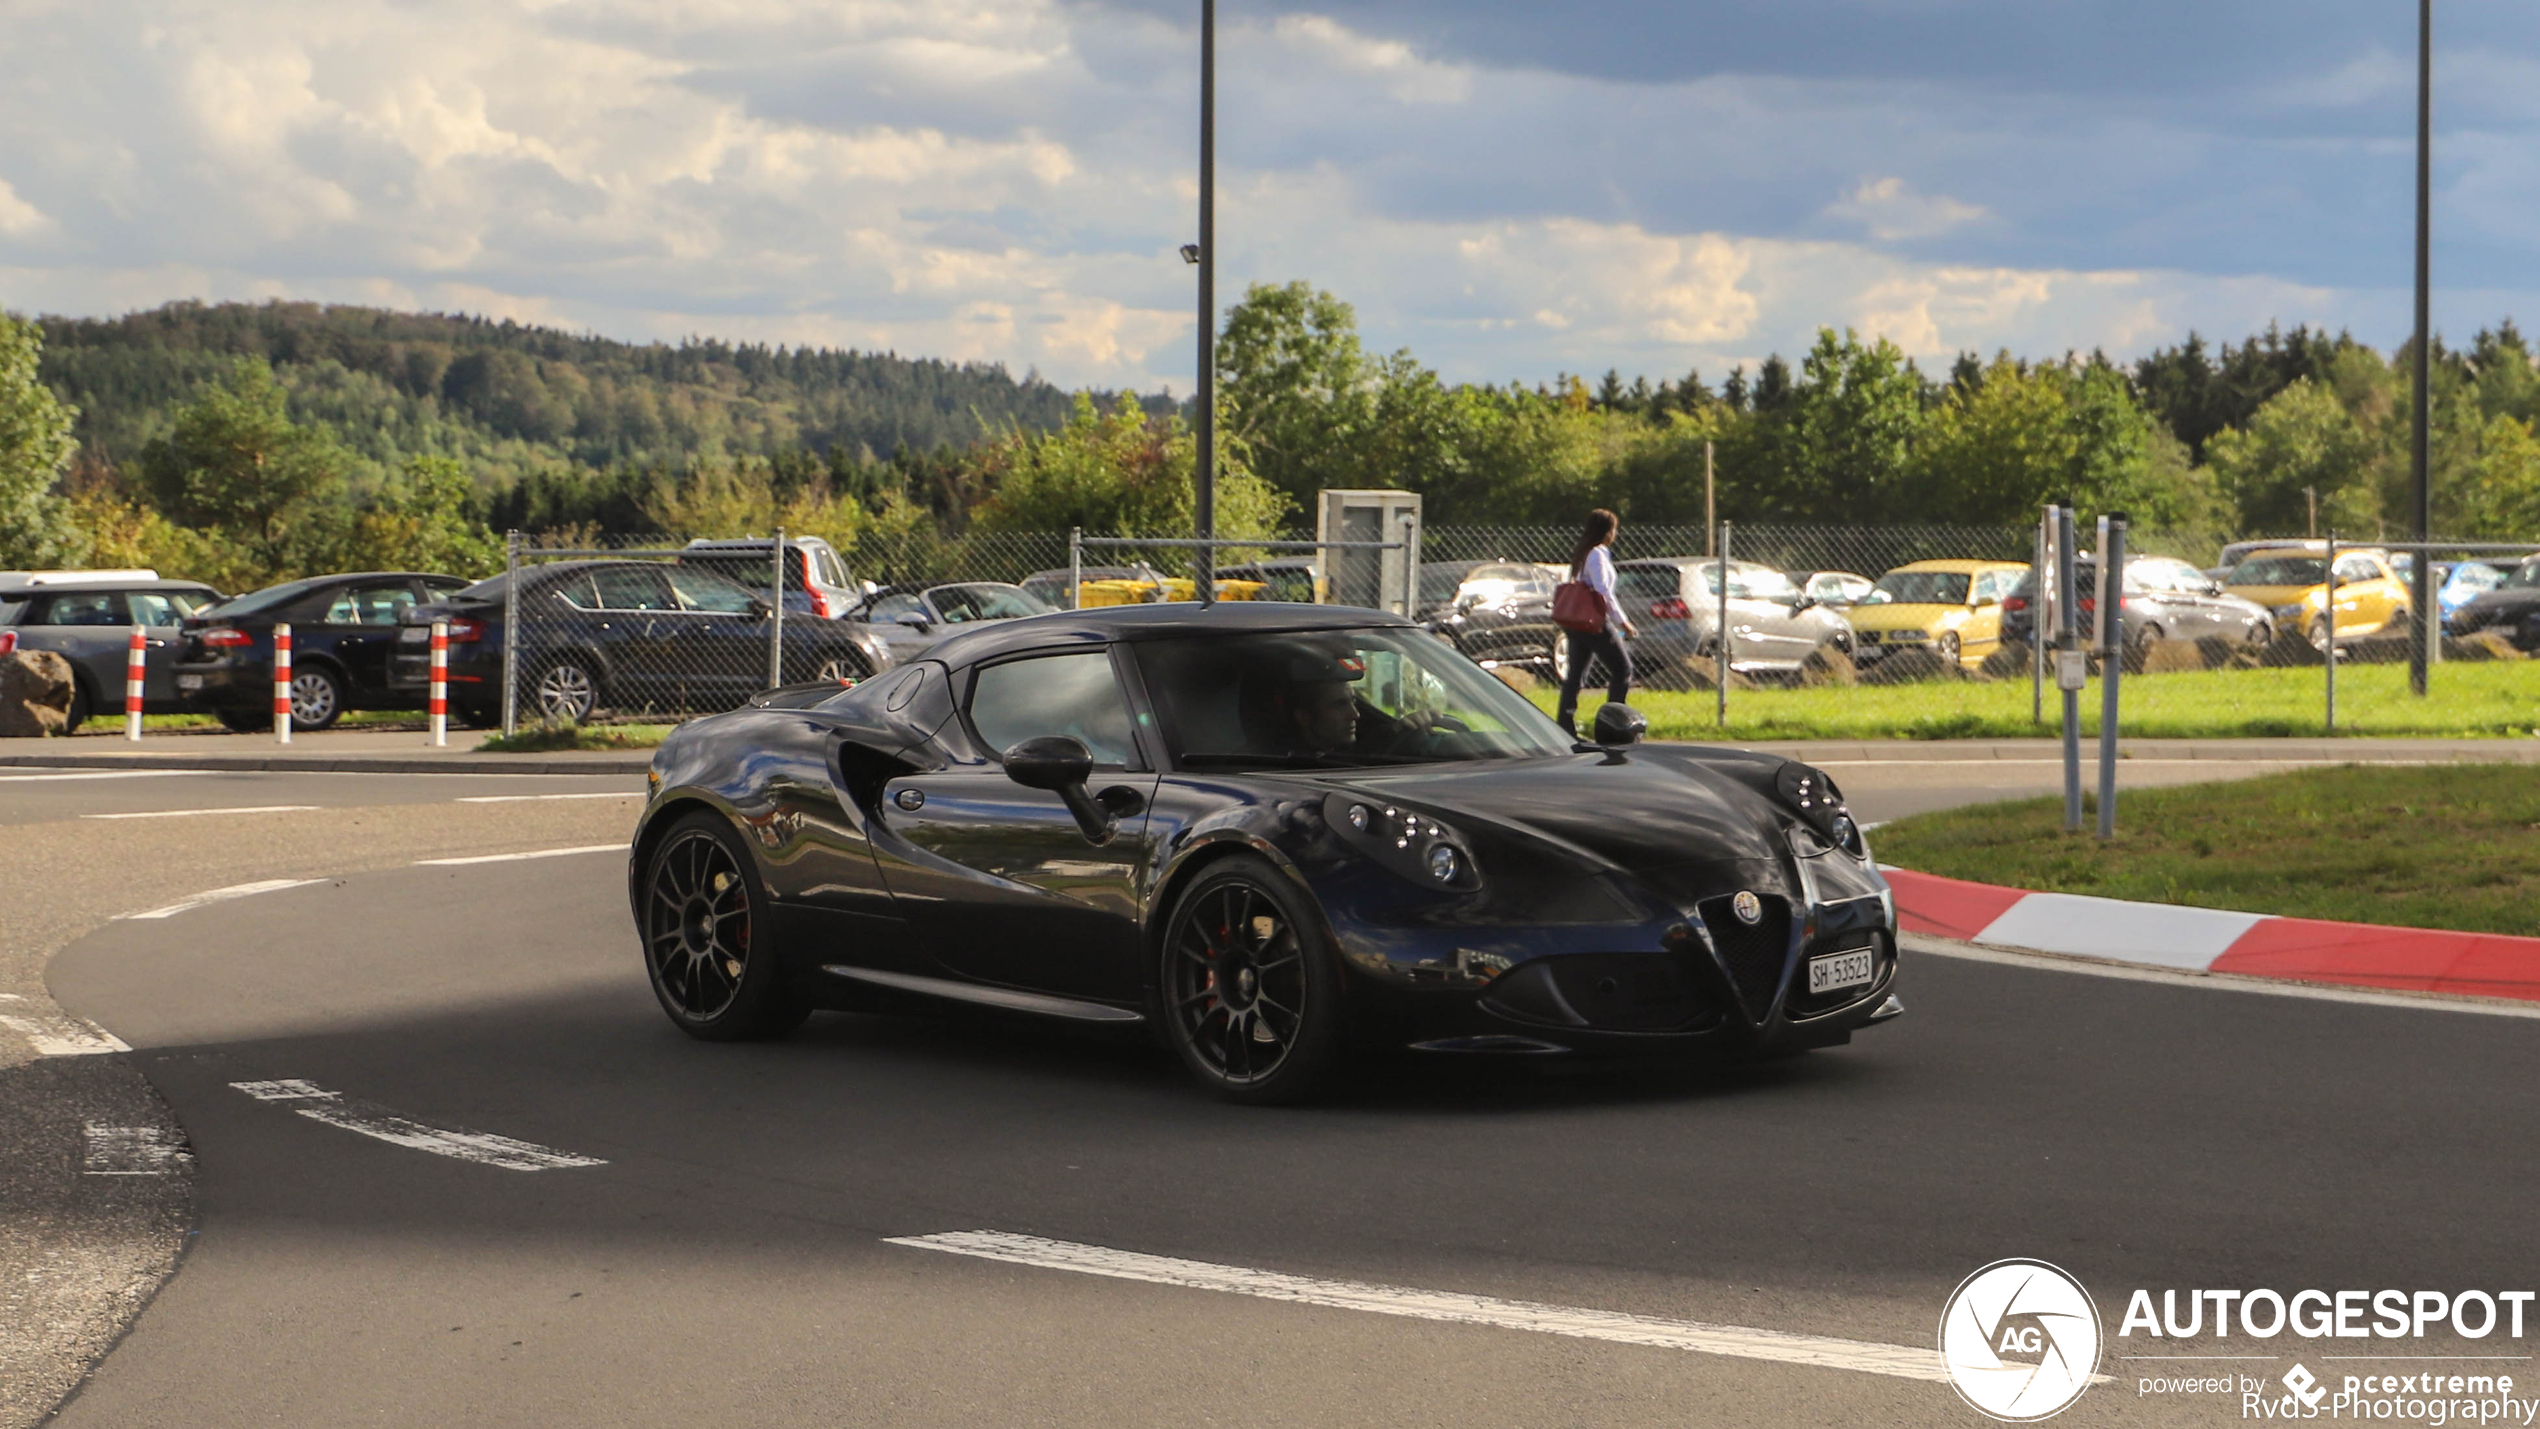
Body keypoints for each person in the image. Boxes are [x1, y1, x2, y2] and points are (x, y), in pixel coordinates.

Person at [1554, 507, 1634, 738]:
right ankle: (1616, 725)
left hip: (1577, 623)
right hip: (1594, 622)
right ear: (1606, 531)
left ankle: (1565, 725)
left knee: (1576, 675)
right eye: (1614, 529)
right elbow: (1603, 592)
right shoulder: (1597, 554)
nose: (1615, 534)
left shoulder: (1584, 552)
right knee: (1623, 669)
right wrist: (1623, 622)